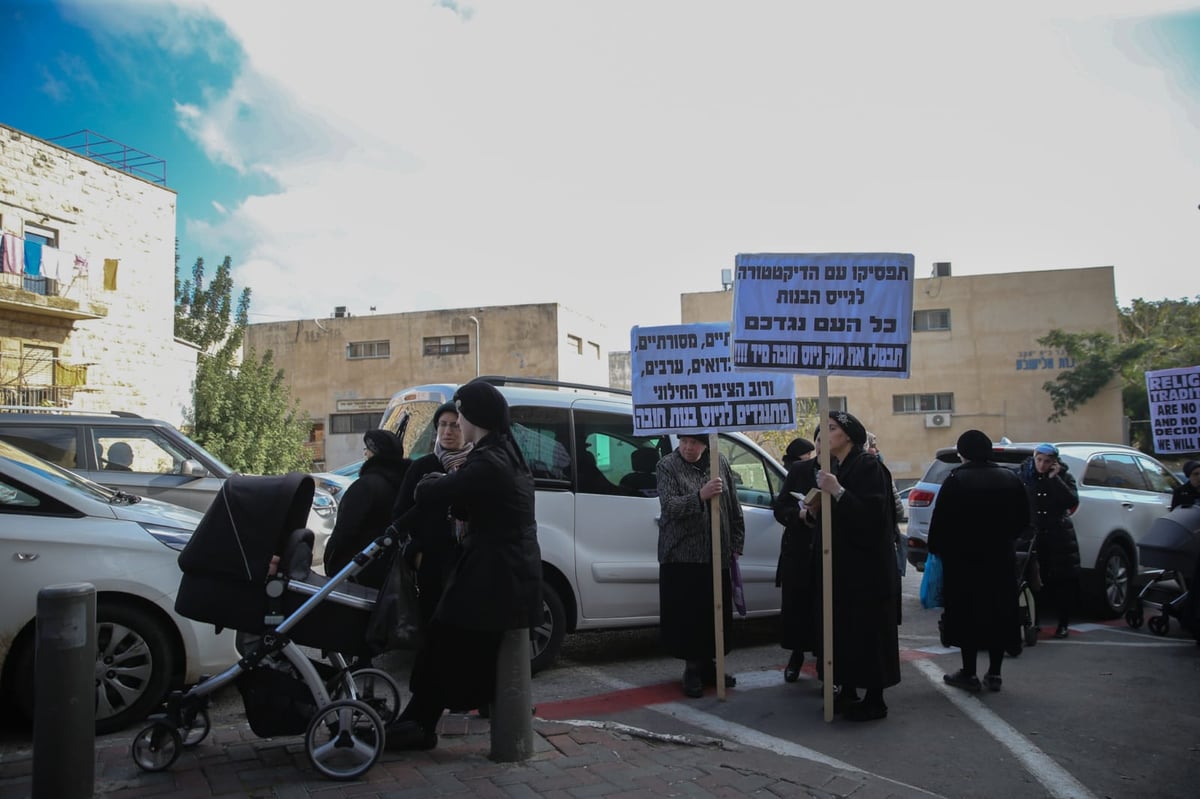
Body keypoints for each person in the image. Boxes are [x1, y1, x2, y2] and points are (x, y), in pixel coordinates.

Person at [385, 380, 542, 750]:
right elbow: (473, 503)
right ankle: (420, 720)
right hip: (502, 574)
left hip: (494, 576)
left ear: (473, 416)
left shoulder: (489, 460)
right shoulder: (504, 451)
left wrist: (434, 482)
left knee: (445, 642)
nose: (457, 421)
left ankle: (420, 723)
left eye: (461, 413)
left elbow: (437, 493)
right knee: (448, 643)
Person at [802, 411, 900, 721]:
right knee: (842, 630)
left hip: (866, 570)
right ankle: (847, 688)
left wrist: (837, 491)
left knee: (868, 632)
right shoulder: (837, 467)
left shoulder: (868, 466)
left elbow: (873, 518)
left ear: (848, 435)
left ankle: (874, 698)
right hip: (841, 567)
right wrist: (815, 510)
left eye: (831, 429)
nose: (824, 435)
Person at [928, 430, 1031, 692]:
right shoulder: (1010, 478)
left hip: (964, 562)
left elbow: (940, 524)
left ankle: (969, 672)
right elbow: (1024, 521)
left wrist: (939, 550)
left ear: (963, 452)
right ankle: (994, 673)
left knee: (967, 615)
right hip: (1000, 559)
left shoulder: (957, 480)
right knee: (999, 614)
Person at [656, 432, 746, 698]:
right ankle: (692, 668)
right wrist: (700, 496)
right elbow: (669, 505)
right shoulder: (667, 465)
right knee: (689, 616)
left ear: (705, 444)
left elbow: (733, 504)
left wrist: (737, 540)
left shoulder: (719, 462)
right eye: (684, 442)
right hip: (682, 554)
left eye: (694, 443)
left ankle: (710, 665)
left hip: (717, 553)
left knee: (714, 612)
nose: (688, 447)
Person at [393, 401, 472, 624]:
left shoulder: (476, 465)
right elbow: (400, 513)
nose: (447, 431)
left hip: (469, 561)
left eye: (455, 425)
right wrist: (414, 552)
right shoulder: (423, 467)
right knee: (433, 626)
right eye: (442, 425)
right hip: (431, 563)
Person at [322, 429, 410, 589]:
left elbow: (344, 531)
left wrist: (331, 563)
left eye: (367, 450)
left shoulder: (365, 486)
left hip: (360, 571)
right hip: (395, 573)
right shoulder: (406, 485)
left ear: (373, 453)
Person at [1019, 443, 1080, 640]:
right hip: (1033, 534)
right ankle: (1034, 621)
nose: (1042, 465)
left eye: (1047, 461)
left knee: (1061, 580)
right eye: (1039, 460)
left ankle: (1063, 623)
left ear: (1054, 463)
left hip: (1058, 534)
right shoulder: (1024, 475)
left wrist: (1055, 480)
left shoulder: (1063, 477)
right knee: (1034, 578)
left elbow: (1071, 501)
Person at [773, 435, 818, 682]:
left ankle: (826, 663)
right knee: (797, 608)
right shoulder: (800, 471)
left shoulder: (846, 470)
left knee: (823, 610)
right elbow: (780, 509)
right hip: (799, 552)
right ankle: (796, 656)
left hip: (828, 554)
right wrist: (800, 515)